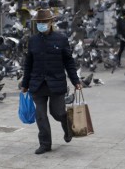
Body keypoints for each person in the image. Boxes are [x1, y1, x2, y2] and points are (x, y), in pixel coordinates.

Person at [21, 9, 82, 155]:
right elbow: (28, 63)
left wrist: (76, 81)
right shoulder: (33, 40)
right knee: (40, 115)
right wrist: (25, 83)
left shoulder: (61, 39)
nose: (41, 24)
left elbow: (69, 62)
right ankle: (45, 144)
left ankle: (67, 126)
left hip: (56, 83)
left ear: (51, 22)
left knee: (58, 113)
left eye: (44, 22)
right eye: (39, 22)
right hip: (37, 83)